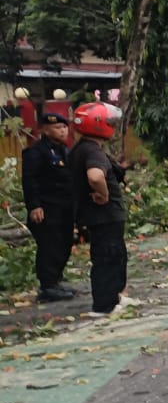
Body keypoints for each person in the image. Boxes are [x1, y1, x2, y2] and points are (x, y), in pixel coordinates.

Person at [67, 102, 129, 318]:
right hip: (104, 215)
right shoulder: (91, 151)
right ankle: (105, 305)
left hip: (101, 216)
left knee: (112, 255)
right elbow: (95, 176)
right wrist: (103, 194)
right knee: (108, 257)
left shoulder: (82, 148)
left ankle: (114, 297)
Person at [21, 111, 78, 302]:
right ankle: (47, 287)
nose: (62, 131)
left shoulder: (65, 151)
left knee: (64, 244)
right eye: (57, 128)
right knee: (49, 246)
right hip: (46, 209)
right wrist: (34, 206)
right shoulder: (36, 152)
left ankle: (55, 281)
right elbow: (30, 181)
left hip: (64, 208)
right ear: (45, 130)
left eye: (64, 127)